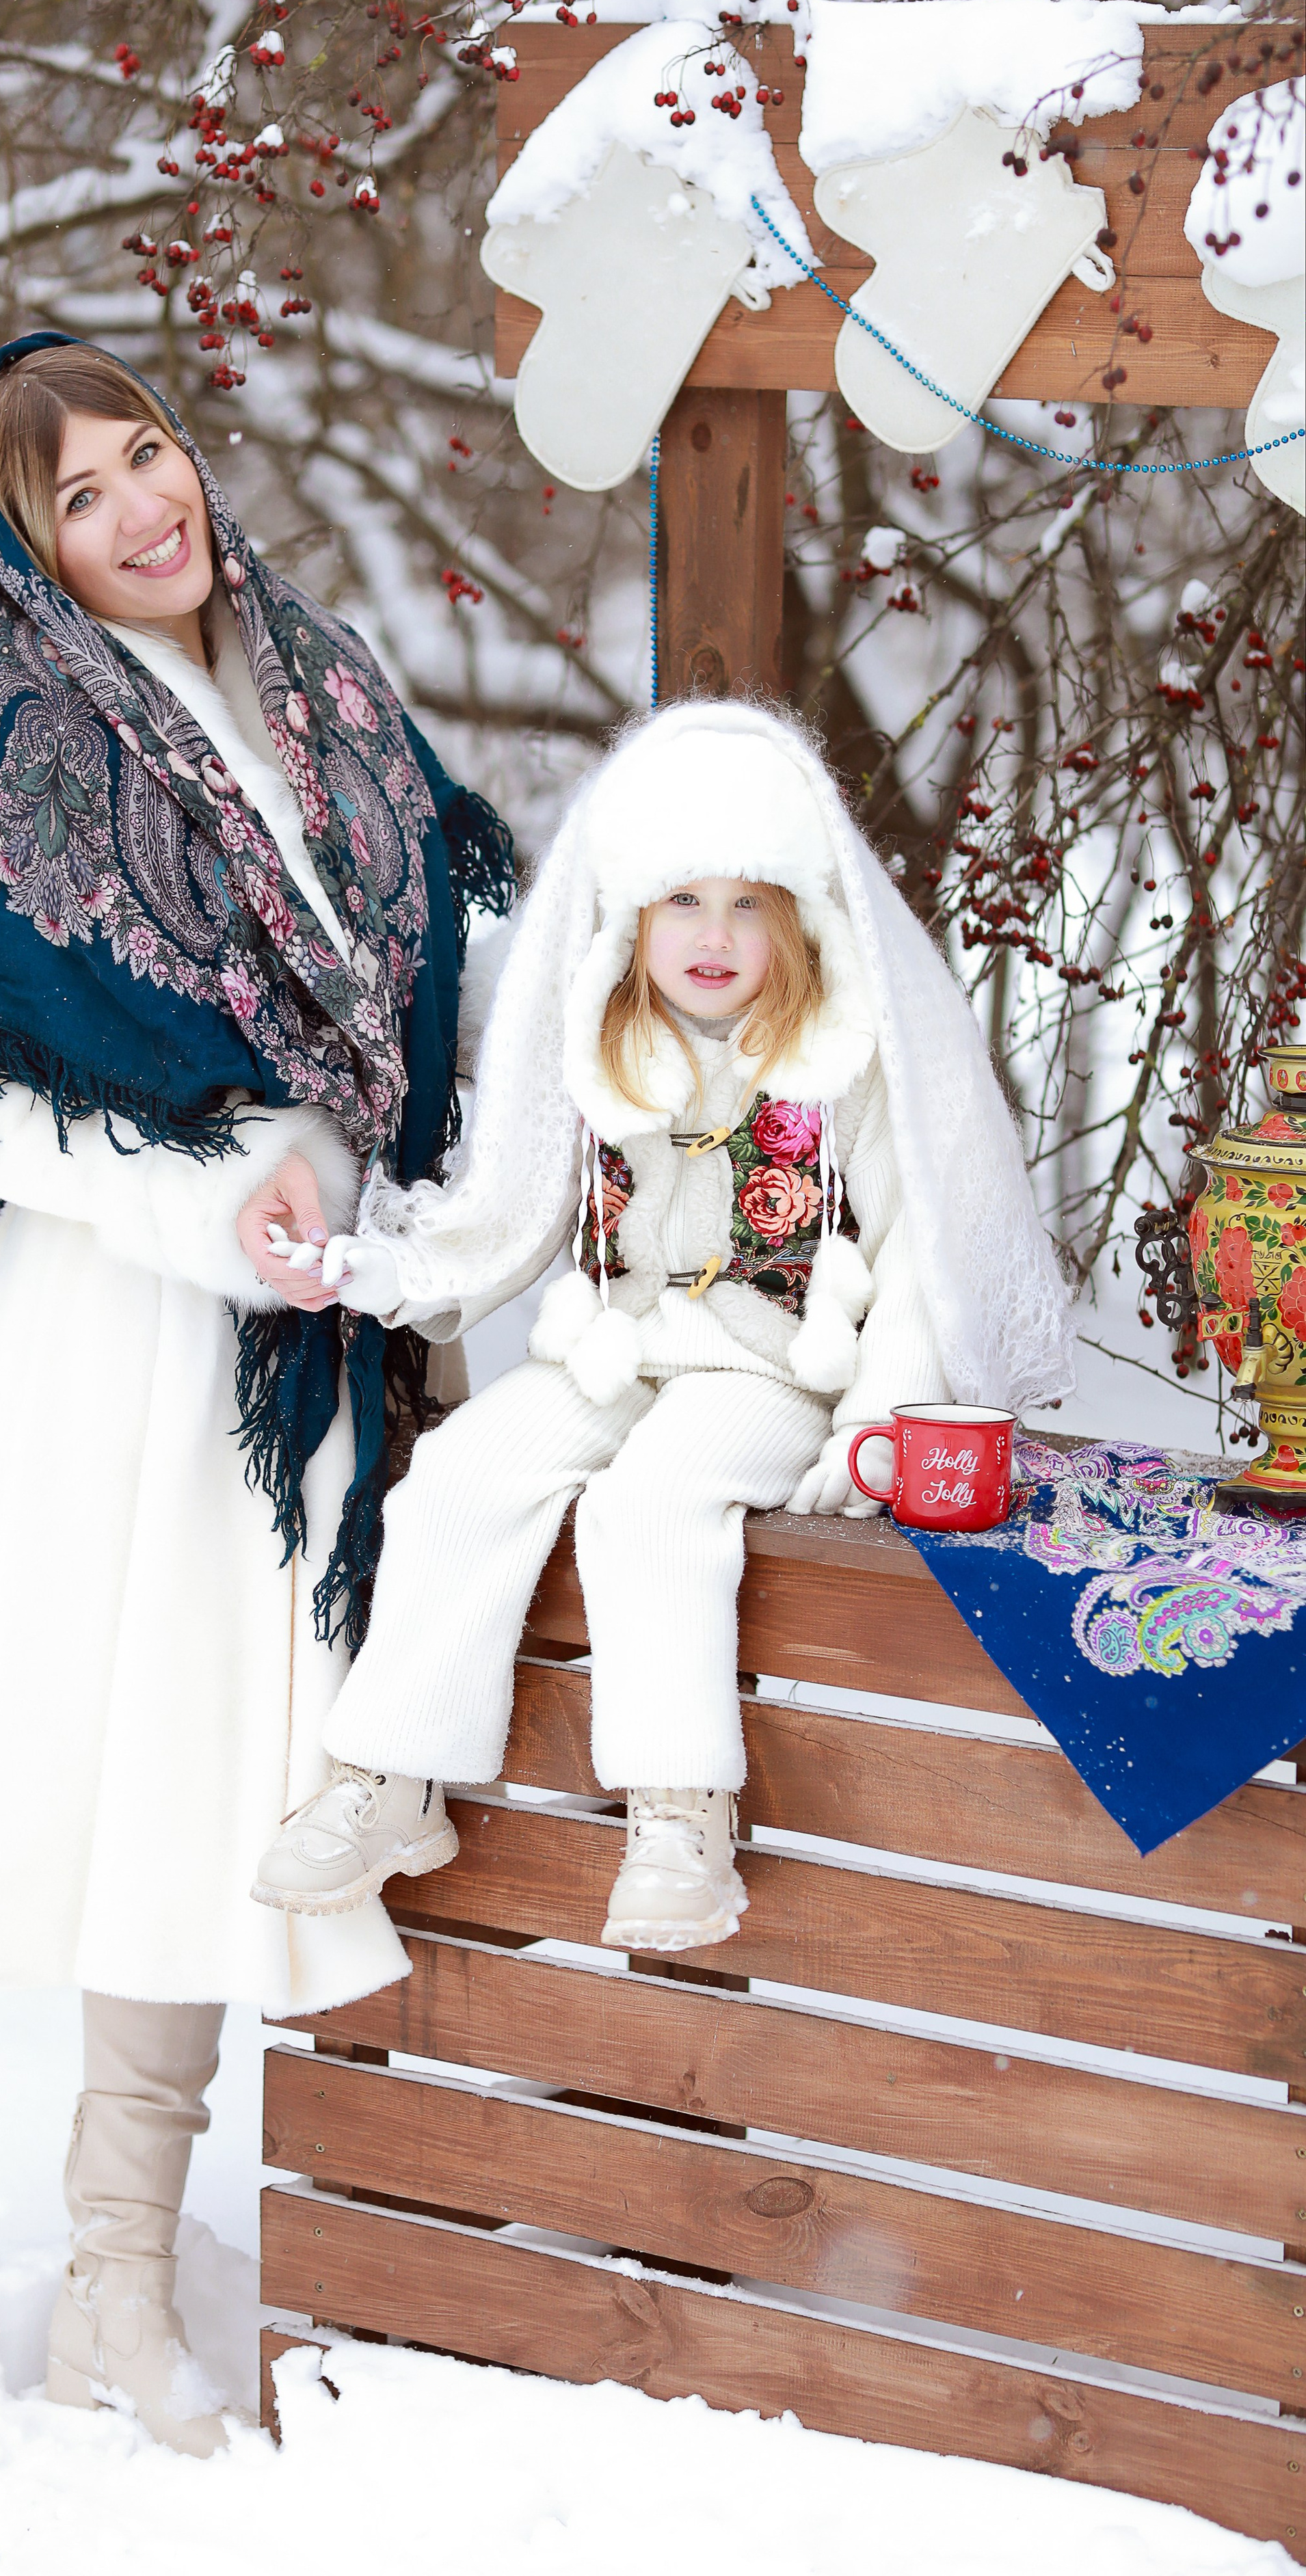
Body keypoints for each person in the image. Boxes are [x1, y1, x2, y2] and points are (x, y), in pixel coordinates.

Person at [0, 335, 513, 2453]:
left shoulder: (320, 676)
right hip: (129, 1350)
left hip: (321, 1355)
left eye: (148, 452)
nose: (143, 508)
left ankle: (89, 2263)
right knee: (104, 1791)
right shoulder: (27, 738)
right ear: (26, 550)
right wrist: (222, 1187)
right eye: (79, 497)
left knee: (195, 1816)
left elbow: (438, 961)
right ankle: (43, 2211)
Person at [251, 699, 1076, 1951]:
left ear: (800, 912)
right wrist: (380, 1266)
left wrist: (878, 1423)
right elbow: (516, 1210)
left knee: (656, 1507)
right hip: (615, 1344)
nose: (715, 935)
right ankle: (391, 1778)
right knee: (462, 1475)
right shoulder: (604, 1038)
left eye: (750, 903)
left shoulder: (842, 1053)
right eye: (682, 902)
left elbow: (921, 1254)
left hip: (772, 1363)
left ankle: (680, 1810)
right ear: (631, 912)